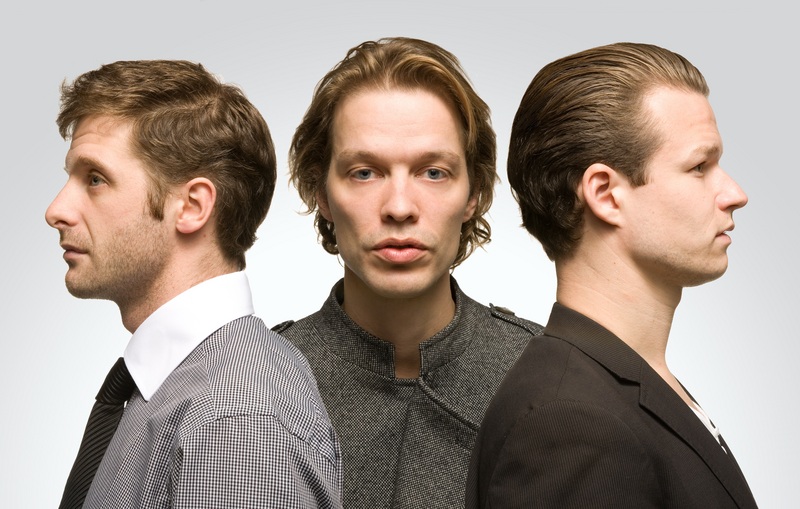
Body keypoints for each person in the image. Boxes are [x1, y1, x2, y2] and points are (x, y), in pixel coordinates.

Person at [466, 42, 758, 508]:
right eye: (699, 166)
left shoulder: (626, 387)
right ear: (605, 194)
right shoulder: (570, 420)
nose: (735, 193)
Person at [46, 60, 342, 509]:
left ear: (192, 206)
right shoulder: (183, 390)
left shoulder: (235, 421)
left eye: (95, 179)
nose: (56, 210)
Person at [273, 37, 542, 508]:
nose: (399, 207)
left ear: (474, 193)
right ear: (322, 193)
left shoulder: (543, 374)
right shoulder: (261, 379)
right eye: (364, 172)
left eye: (433, 172)